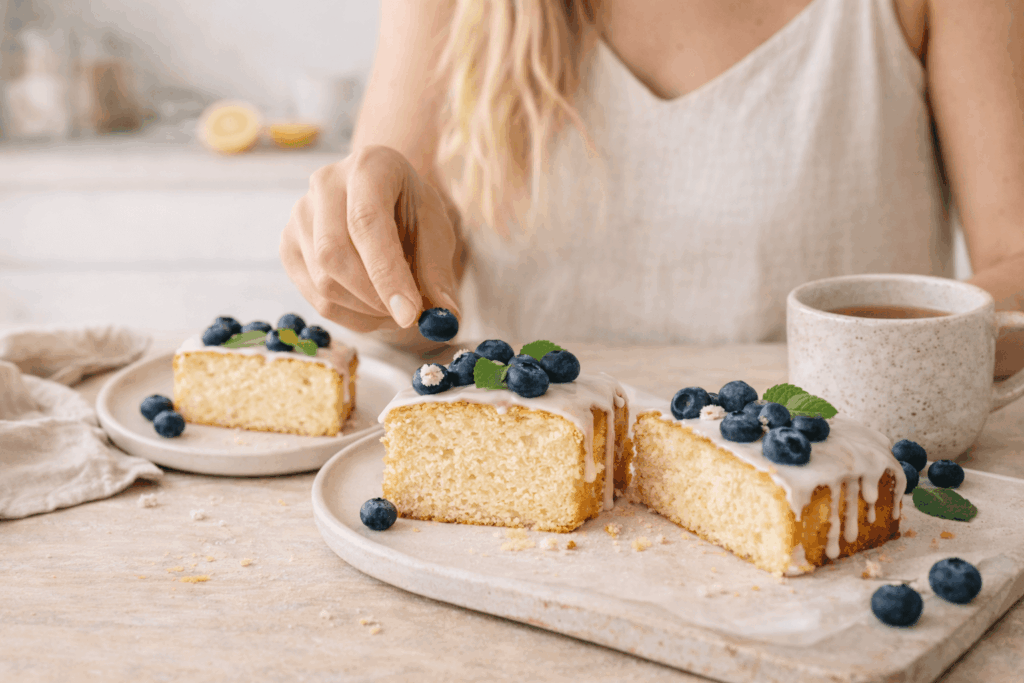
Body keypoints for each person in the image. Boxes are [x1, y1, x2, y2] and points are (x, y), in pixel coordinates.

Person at [279, 0, 1024, 376]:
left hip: (836, 495)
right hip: (517, 521)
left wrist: (864, 357)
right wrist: (376, 268)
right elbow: (410, 321)